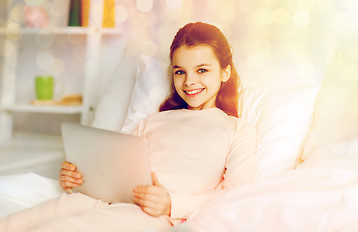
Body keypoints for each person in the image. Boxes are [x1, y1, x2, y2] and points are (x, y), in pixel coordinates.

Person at [0, 22, 257, 232]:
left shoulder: (236, 129)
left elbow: (235, 195)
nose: (190, 81)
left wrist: (171, 203)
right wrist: (77, 179)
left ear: (225, 72)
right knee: (14, 224)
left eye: (202, 70)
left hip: (149, 214)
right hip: (99, 200)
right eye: (180, 72)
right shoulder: (153, 120)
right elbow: (114, 172)